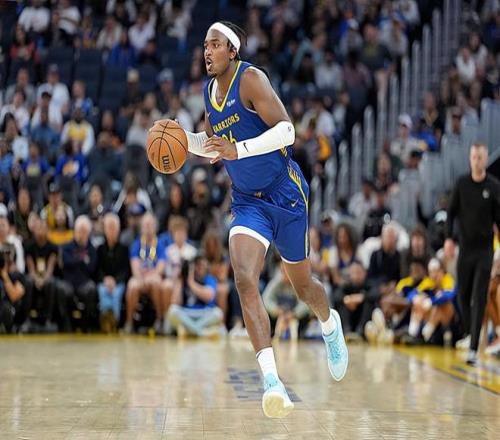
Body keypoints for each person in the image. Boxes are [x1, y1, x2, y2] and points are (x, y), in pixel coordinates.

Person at [155, 21, 347, 418]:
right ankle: (272, 382)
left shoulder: (251, 79)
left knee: (303, 286)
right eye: (204, 46)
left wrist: (238, 149)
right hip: (247, 202)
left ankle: (330, 324)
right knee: (244, 278)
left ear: (232, 50)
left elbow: (288, 132)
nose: (207, 52)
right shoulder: (209, 93)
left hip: (285, 192)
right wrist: (181, 140)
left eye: (215, 45)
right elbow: (213, 147)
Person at [446, 143, 500, 365]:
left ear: (485, 159)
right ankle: (470, 332)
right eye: (474, 157)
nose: (477, 161)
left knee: (479, 296)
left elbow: (499, 219)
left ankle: (473, 348)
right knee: (463, 295)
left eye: (480, 157)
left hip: (485, 250)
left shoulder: (494, 186)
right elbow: (451, 213)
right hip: (465, 249)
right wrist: (448, 239)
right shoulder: (461, 184)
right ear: (470, 159)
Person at [125, 212, 167, 335]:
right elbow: (134, 265)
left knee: (155, 283)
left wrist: (151, 276)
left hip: (154, 276)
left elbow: (161, 267)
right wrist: (141, 278)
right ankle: (129, 321)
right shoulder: (137, 244)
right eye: (145, 225)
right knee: (132, 286)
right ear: (142, 227)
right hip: (140, 277)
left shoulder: (159, 244)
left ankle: (159, 320)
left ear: (155, 227)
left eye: (150, 225)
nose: (148, 228)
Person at [167, 256, 223, 337]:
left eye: (203, 266)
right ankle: (201, 332)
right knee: (172, 310)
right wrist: (180, 280)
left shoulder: (209, 279)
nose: (200, 268)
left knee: (218, 313)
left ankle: (189, 331)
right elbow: (175, 301)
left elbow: (209, 296)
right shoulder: (183, 279)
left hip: (204, 313)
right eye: (198, 265)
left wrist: (191, 283)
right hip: (186, 313)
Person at [97, 213, 130, 333]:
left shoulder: (124, 249)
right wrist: (105, 279)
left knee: (116, 293)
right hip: (104, 282)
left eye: (114, 228)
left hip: (118, 282)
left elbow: (126, 270)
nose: (111, 231)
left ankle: (115, 321)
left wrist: (115, 280)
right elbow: (98, 268)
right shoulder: (100, 249)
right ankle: (106, 318)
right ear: (105, 230)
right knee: (103, 291)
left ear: (118, 230)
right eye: (109, 227)